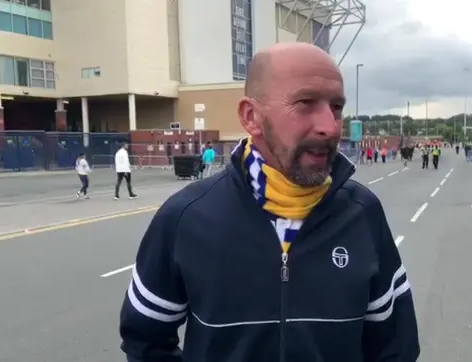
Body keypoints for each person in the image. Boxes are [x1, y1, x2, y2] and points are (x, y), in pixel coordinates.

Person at [118, 43, 420, 362]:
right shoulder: (186, 217)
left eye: (336, 107)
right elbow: (145, 340)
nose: (330, 126)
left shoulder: (362, 212)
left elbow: (395, 347)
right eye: (305, 103)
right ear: (252, 117)